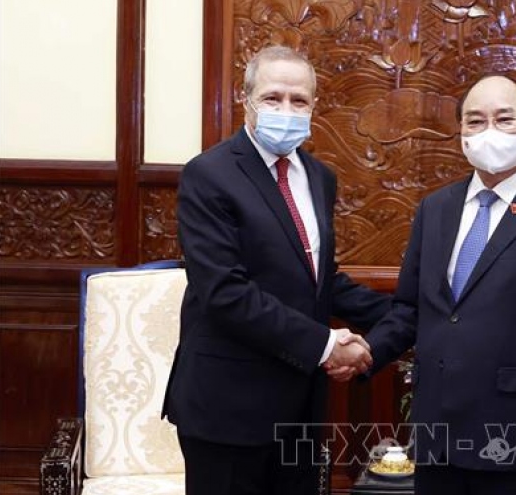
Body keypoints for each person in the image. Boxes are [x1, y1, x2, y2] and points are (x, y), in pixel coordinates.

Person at [338, 74, 516, 495]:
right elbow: (410, 309)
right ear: (461, 132)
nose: (489, 131)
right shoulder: (435, 209)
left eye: (504, 119)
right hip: (437, 436)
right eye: (476, 121)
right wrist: (367, 353)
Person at [162, 45, 390, 495]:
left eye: (298, 100)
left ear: (314, 106)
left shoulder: (319, 177)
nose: (286, 109)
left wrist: (406, 312)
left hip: (300, 407)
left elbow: (318, 280)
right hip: (228, 408)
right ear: (245, 100)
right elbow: (226, 292)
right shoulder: (208, 174)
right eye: (272, 97)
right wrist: (327, 345)